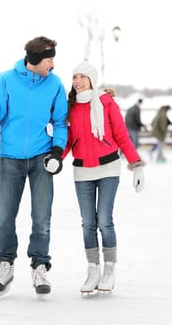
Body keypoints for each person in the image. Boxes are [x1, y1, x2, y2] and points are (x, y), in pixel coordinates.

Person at [0, 36, 68, 297]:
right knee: (4, 216)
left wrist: (57, 150)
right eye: (49, 58)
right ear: (35, 59)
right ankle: (6, 264)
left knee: (42, 218)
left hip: (42, 159)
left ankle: (40, 266)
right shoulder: (6, 80)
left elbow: (61, 121)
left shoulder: (55, 84)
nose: (53, 63)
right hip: (10, 159)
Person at [62, 62, 145, 294]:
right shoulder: (70, 106)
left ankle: (109, 269)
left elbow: (121, 135)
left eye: (82, 76)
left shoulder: (107, 103)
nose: (78, 81)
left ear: (92, 79)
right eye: (74, 76)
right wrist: (56, 157)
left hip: (108, 168)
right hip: (82, 171)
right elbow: (68, 141)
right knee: (88, 223)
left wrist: (136, 165)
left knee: (104, 221)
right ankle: (93, 269)